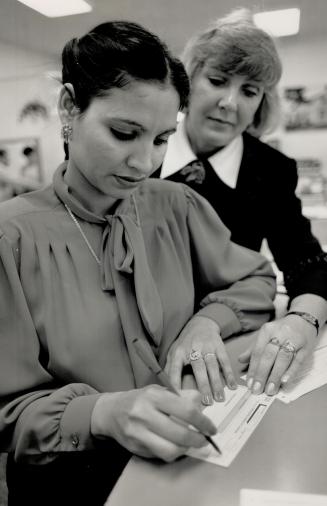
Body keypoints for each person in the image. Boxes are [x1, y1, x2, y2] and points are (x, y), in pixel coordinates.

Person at [0, 21, 276, 506]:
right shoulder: (12, 238)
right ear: (70, 107)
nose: (143, 162)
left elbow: (254, 278)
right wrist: (103, 414)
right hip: (74, 485)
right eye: (124, 133)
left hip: (190, 471)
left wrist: (207, 323)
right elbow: (8, 416)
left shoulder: (176, 206)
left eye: (161, 139)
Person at [153, 8, 327, 398]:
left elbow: (306, 261)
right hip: (148, 340)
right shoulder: (144, 149)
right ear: (188, 81)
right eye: (217, 80)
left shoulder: (270, 169)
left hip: (233, 337)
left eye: (249, 91)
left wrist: (301, 321)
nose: (230, 102)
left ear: (261, 103)